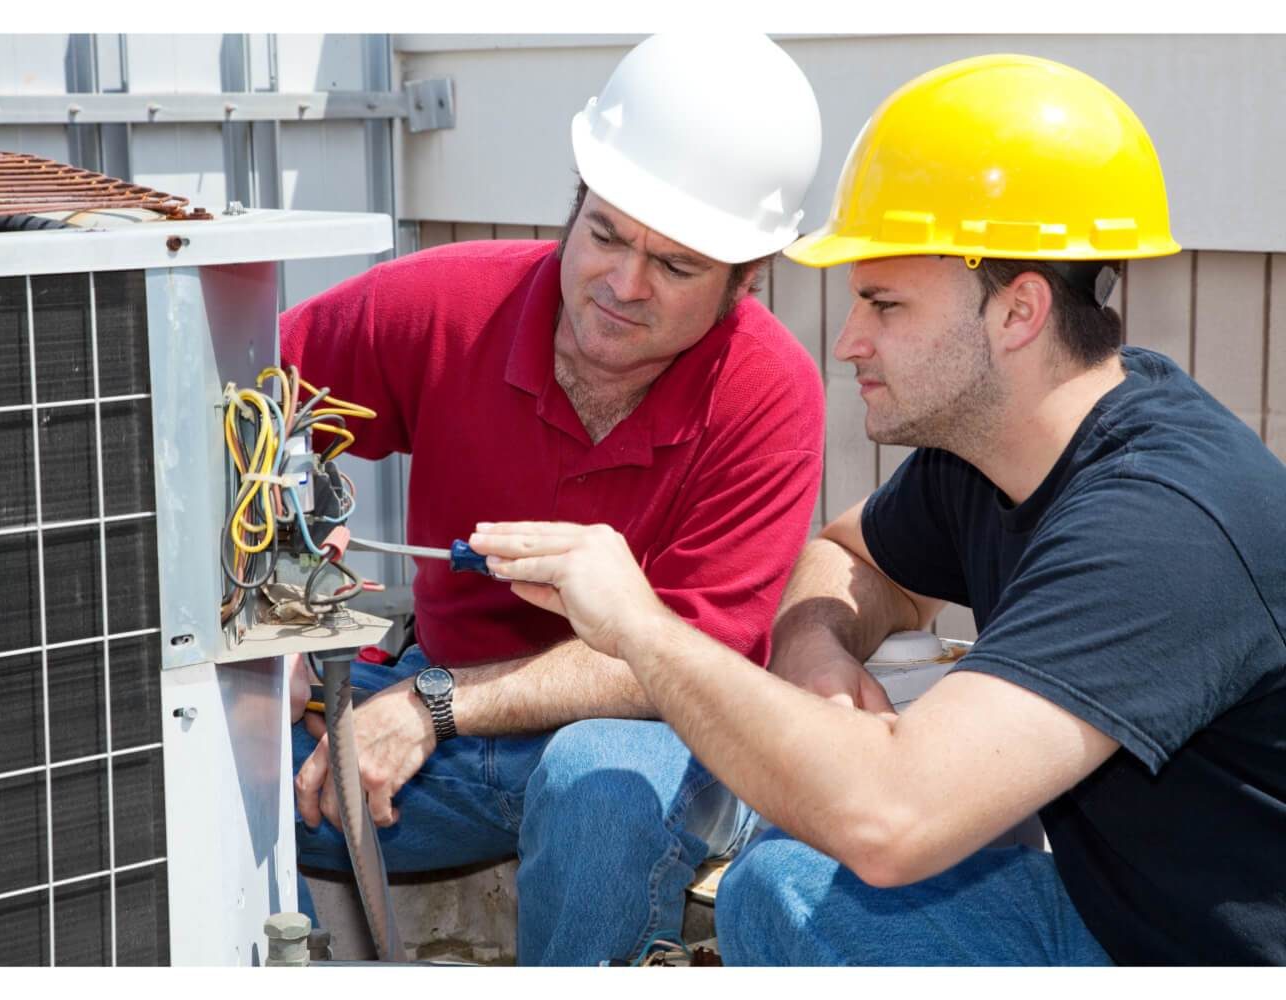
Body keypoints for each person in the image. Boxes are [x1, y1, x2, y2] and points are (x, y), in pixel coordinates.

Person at [469, 54, 1286, 965]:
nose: (847, 341)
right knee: (780, 891)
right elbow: (849, 553)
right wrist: (817, 654)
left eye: (883, 303)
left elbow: (893, 822)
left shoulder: (1162, 529)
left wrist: (639, 627)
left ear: (1017, 312)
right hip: (1107, 913)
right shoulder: (993, 455)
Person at [278, 33, 825, 965]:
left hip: (638, 746)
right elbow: (228, 415)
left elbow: (690, 661)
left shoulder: (771, 393)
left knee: (599, 783)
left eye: (677, 267)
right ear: (574, 203)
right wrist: (273, 620)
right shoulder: (445, 306)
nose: (622, 284)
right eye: (605, 233)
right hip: (422, 737)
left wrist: (432, 704)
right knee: (210, 771)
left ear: (749, 279)